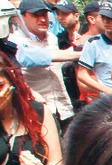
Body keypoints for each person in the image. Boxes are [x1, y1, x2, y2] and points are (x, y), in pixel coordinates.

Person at [9, 0, 80, 132]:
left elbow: (59, 61)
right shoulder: (15, 42)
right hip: (38, 110)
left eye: (45, 15)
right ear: (23, 16)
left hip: (63, 107)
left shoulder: (52, 38)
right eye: (36, 15)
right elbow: (42, 57)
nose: (42, 19)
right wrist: (80, 54)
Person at [77, 0, 112, 100]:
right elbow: (82, 75)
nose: (106, 21)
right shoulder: (93, 43)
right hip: (109, 99)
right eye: (103, 17)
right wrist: (106, 90)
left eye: (111, 18)